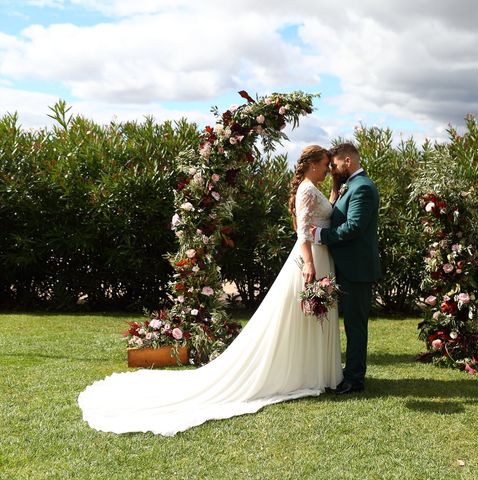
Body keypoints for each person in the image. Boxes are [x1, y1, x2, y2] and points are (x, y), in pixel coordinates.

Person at [78, 145, 342, 436]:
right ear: (313, 164)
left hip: (320, 255)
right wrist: (307, 263)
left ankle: (313, 371)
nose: (329, 169)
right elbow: (302, 230)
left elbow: (323, 215)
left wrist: (334, 192)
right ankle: (302, 373)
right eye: (326, 164)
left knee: (310, 316)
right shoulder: (306, 189)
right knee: (302, 315)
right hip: (311, 258)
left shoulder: (312, 188)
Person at [310, 143, 381, 395]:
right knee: (351, 324)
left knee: (355, 325)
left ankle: (355, 379)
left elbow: (354, 227)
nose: (332, 169)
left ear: (348, 161)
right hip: (347, 267)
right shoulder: (349, 186)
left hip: (357, 269)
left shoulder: (362, 188)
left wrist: (321, 235)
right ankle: (348, 373)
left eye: (335, 164)